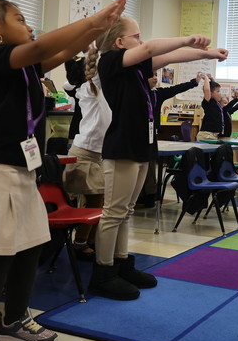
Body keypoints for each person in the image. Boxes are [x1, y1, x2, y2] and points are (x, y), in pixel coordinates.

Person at [0, 0, 126, 341]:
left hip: (23, 171)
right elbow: (43, 46)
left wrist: (95, 29)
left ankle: (12, 321)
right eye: (20, 19)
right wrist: (92, 18)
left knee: (29, 246)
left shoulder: (25, 69)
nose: (29, 26)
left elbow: (60, 51)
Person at [91, 17, 227, 301]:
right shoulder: (111, 62)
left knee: (127, 211)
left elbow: (168, 56)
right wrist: (188, 37)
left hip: (142, 146)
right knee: (114, 213)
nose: (142, 41)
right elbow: (153, 47)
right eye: (136, 36)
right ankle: (103, 273)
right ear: (119, 42)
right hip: (122, 148)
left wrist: (206, 54)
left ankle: (122, 263)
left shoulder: (137, 68)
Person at [61, 52, 111, 262]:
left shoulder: (87, 89)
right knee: (94, 200)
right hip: (85, 152)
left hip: (95, 152)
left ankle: (87, 240)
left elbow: (67, 84)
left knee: (98, 199)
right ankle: (80, 243)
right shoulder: (90, 89)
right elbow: (70, 82)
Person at [135, 71, 206, 208]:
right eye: (152, 76)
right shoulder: (136, 92)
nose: (155, 78)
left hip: (151, 136)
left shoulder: (157, 93)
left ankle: (150, 195)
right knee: (138, 168)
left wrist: (193, 83)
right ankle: (139, 195)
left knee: (149, 167)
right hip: (137, 136)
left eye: (157, 75)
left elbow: (175, 89)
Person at [197, 74, 223, 141]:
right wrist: (206, 78)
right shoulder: (208, 101)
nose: (220, 93)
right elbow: (207, 90)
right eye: (218, 91)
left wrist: (211, 79)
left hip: (213, 135)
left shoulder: (216, 102)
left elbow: (213, 87)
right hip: (206, 135)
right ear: (211, 93)